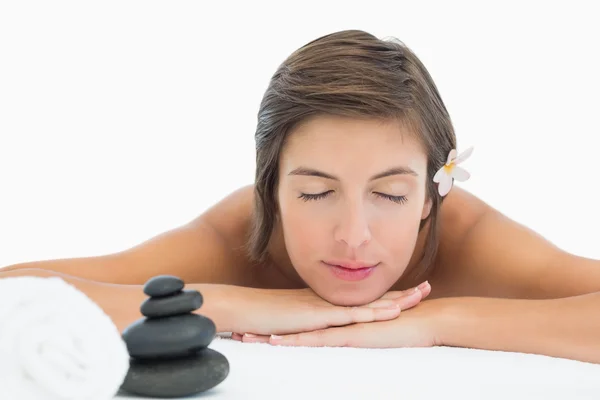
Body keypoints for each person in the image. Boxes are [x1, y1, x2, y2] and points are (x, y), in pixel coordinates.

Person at [2, 29, 600, 364]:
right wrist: (235, 305)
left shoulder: (468, 237)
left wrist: (436, 321)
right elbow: (14, 293)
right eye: (316, 193)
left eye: (391, 194)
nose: (353, 234)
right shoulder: (234, 237)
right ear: (272, 190)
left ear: (430, 193)